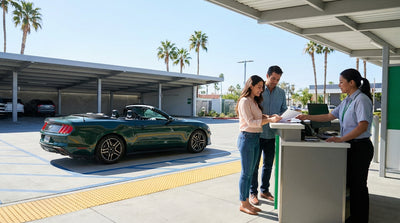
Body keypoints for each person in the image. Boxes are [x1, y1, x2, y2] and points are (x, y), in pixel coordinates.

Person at [296, 68, 374, 223]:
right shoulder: (347, 100)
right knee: (352, 184)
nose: (339, 85)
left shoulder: (362, 100)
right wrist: (307, 116)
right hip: (351, 145)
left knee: (359, 185)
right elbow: (330, 115)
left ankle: (361, 219)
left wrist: (341, 138)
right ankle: (355, 216)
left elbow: (362, 126)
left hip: (360, 147)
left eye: (341, 82)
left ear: (351, 83)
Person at [236, 75, 282, 215]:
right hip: (247, 138)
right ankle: (243, 203)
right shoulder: (244, 101)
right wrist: (269, 120)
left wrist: (269, 116)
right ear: (251, 86)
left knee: (250, 173)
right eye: (259, 87)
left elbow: (258, 117)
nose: (261, 90)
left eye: (262, 87)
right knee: (246, 173)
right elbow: (251, 122)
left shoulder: (254, 101)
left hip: (255, 138)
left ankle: (247, 203)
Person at [250, 65, 287, 205]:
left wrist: (283, 115)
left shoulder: (281, 93)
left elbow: (283, 110)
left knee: (268, 165)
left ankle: (264, 190)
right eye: (273, 78)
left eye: (278, 79)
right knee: (254, 165)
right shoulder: (258, 91)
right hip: (257, 134)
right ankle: (253, 192)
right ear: (267, 76)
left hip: (272, 135)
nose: (275, 81)